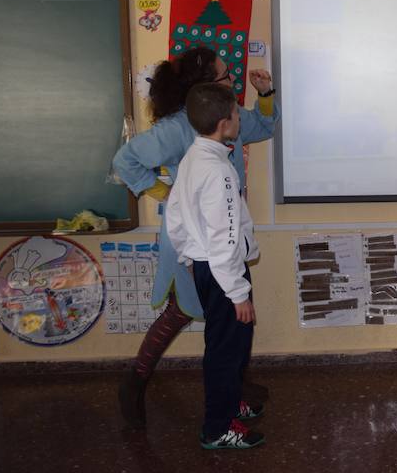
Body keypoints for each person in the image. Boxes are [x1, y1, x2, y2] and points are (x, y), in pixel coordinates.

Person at [113, 47, 280, 428]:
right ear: (205, 85)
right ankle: (135, 382)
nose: (233, 80)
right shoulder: (176, 128)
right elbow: (125, 161)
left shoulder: (226, 115)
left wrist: (266, 95)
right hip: (193, 239)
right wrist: (165, 192)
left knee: (231, 314)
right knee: (184, 311)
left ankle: (234, 388)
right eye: (225, 76)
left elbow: (264, 126)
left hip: (223, 233)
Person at [166, 82, 265, 449]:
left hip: (209, 266)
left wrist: (188, 256)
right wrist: (237, 292)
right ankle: (218, 428)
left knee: (231, 345)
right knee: (226, 350)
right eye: (237, 113)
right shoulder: (217, 171)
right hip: (224, 272)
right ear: (225, 123)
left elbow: (174, 217)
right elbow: (225, 236)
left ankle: (230, 404)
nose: (240, 119)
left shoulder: (194, 158)